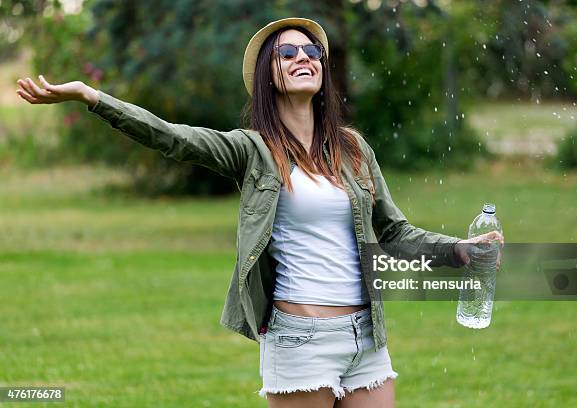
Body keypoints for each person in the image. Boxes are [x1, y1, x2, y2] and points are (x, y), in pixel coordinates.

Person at [16, 17, 503, 408]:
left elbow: (393, 232)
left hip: (367, 338)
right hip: (300, 339)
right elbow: (171, 137)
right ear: (269, 75)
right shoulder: (252, 151)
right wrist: (93, 97)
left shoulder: (352, 149)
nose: (302, 58)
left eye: (311, 52)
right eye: (286, 53)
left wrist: (458, 250)